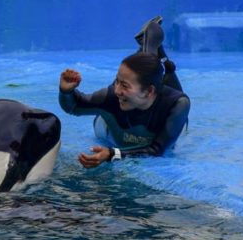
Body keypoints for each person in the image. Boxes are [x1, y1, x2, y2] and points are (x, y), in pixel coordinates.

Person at [59, 51, 190, 168]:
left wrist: (113, 154)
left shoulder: (178, 104)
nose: (117, 90)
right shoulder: (110, 97)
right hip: (107, 127)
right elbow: (74, 107)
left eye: (125, 86)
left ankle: (159, 55)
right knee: (110, 102)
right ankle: (148, 49)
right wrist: (66, 91)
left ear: (149, 91)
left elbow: (157, 150)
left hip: (160, 109)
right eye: (117, 81)